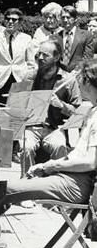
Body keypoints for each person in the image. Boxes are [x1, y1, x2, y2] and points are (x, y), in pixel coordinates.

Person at [0, 58, 97, 222]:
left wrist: (50, 166)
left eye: (81, 79)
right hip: (72, 176)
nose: (78, 83)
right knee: (2, 190)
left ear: (89, 82)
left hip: (77, 183)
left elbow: (89, 162)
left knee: (3, 190)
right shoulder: (93, 111)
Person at [21, 40, 81, 173]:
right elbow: (16, 105)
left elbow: (78, 112)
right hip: (31, 127)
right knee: (26, 147)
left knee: (59, 146)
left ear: (57, 57)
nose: (40, 58)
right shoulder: (30, 77)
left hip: (54, 128)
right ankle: (26, 184)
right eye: (38, 55)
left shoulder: (68, 80)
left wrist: (60, 105)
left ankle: (56, 183)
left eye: (45, 55)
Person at [0, 8, 36, 106]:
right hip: (0, 80)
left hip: (20, 80)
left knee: (17, 112)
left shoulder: (26, 39)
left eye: (14, 20)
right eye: (8, 19)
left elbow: (31, 63)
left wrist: (27, 78)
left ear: (20, 22)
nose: (10, 22)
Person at [52, 5, 93, 72]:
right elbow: (53, 59)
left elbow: (87, 59)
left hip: (78, 76)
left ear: (75, 19)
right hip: (60, 77)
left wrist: (75, 73)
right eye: (63, 17)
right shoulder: (55, 37)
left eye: (68, 17)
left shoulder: (86, 35)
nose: (65, 20)